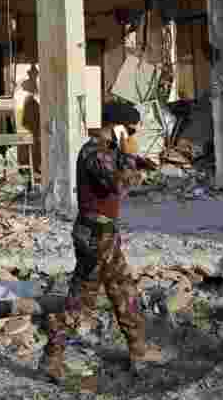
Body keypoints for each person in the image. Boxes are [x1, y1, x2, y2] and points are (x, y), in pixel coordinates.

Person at [40, 100, 163, 384]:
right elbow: (118, 184)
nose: (132, 136)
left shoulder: (107, 152)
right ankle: (52, 358)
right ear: (117, 127)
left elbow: (124, 175)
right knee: (82, 300)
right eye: (130, 130)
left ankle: (138, 349)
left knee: (123, 290)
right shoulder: (94, 152)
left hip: (106, 233)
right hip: (95, 235)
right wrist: (131, 158)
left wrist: (136, 159)